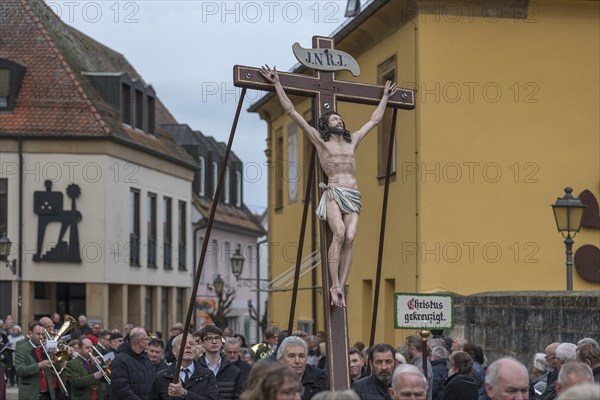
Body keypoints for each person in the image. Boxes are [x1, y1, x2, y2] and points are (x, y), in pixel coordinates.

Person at [260, 65, 397, 307]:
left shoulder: (351, 140)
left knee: (351, 237)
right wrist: (277, 84)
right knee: (340, 234)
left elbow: (374, 121)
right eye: (335, 118)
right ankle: (333, 283)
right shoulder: (320, 141)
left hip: (353, 194)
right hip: (334, 192)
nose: (339, 121)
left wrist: (385, 97)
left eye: (340, 119)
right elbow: (292, 112)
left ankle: (341, 285)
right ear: (326, 124)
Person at [150, 333, 218, 400]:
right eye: (183, 344)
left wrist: (184, 393)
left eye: (192, 344)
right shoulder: (160, 377)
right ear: (174, 351)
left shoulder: (207, 375)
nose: (188, 346)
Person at [14, 322, 60, 400]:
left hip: (48, 393)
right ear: (30, 333)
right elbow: (19, 370)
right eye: (38, 334)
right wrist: (39, 365)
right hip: (31, 393)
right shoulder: (21, 348)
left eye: (43, 334)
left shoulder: (46, 348)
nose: (41, 337)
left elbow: (57, 368)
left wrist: (53, 354)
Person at [198, 325, 242, 400]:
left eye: (217, 338)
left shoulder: (234, 371)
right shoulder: (195, 369)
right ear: (202, 343)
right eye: (209, 338)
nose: (214, 341)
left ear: (221, 342)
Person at [109, 326, 154, 399]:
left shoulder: (145, 358)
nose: (149, 341)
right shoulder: (120, 360)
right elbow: (121, 389)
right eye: (147, 339)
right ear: (139, 342)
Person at [277, 336, 328, 400]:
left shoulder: (318, 378)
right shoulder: (272, 381)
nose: (297, 361)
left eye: (301, 356)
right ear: (281, 360)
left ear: (306, 358)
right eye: (291, 356)